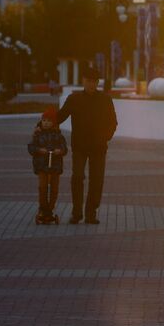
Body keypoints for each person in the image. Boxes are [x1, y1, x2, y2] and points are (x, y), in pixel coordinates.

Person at [55, 70, 118, 225]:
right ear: (83, 81)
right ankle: (77, 213)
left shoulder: (105, 99)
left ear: (98, 83)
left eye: (94, 81)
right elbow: (60, 116)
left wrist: (105, 137)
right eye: (88, 81)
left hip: (99, 147)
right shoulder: (74, 99)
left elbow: (113, 122)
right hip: (79, 147)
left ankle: (91, 213)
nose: (91, 84)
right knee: (77, 177)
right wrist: (42, 125)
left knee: (97, 180)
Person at [27, 108, 67, 224]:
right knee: (43, 187)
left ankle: (50, 208)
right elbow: (31, 147)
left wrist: (60, 151)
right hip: (42, 165)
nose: (46, 123)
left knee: (54, 188)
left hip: (55, 166)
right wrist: (39, 150)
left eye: (49, 121)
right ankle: (43, 209)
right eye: (44, 120)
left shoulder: (58, 136)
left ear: (54, 123)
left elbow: (64, 148)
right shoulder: (37, 135)